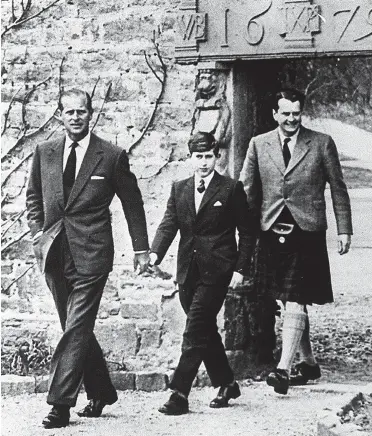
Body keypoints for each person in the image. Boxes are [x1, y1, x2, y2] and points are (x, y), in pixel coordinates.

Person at [26, 88, 150, 428]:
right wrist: (38, 233)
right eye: (69, 112)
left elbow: (132, 202)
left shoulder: (110, 155)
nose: (76, 117)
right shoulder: (45, 152)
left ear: (90, 114)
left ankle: (60, 404)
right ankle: (102, 390)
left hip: (93, 253)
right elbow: (34, 197)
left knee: (77, 326)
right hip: (54, 253)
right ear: (60, 115)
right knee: (74, 327)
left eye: (82, 111)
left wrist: (141, 248)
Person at [239, 88, 352, 395]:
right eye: (285, 113)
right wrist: (240, 230)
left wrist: (344, 229)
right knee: (287, 299)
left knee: (295, 297)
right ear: (275, 114)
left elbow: (338, 188)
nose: (291, 119)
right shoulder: (258, 144)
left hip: (307, 231)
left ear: (302, 113)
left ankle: (283, 370)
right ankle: (309, 362)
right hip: (271, 230)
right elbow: (246, 190)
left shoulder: (321, 143)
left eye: (296, 113)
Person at [149, 131, 256, 414]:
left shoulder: (231, 188)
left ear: (217, 156)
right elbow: (168, 224)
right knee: (205, 329)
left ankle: (179, 393)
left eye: (209, 156)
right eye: (199, 157)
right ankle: (227, 382)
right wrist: (154, 253)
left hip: (217, 270)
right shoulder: (179, 188)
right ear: (190, 158)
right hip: (187, 271)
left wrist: (241, 268)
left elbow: (246, 231)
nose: (204, 162)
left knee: (195, 328)